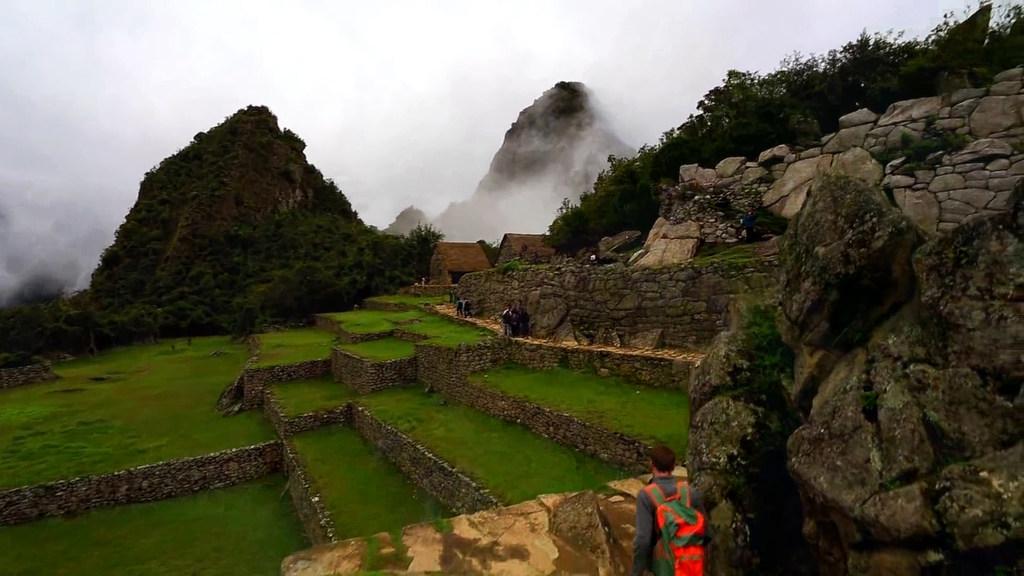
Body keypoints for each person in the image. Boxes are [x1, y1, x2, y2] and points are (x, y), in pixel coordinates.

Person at [633, 445, 707, 576]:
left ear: (652, 464)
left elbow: (643, 541)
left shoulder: (646, 496)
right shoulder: (691, 493)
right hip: (691, 565)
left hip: (663, 566)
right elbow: (706, 531)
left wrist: (636, 572)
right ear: (674, 467)